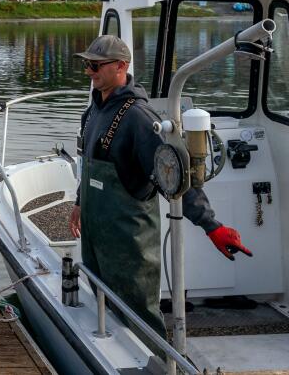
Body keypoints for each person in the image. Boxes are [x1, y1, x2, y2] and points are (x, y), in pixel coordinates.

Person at [68, 34, 251, 336]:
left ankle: (162, 361)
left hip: (129, 239)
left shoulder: (138, 118)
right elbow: (89, 162)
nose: (89, 71)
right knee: (103, 298)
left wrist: (211, 225)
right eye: (87, 65)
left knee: (138, 310)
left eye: (96, 65)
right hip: (95, 233)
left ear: (121, 67)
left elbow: (175, 176)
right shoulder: (94, 110)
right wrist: (79, 202)